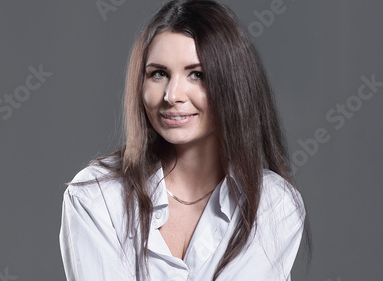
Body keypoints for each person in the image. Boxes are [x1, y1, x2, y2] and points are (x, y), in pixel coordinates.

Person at [59, 0, 309, 280]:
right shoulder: (96, 195)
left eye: (197, 75)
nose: (172, 95)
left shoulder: (272, 204)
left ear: (232, 84)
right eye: (159, 74)